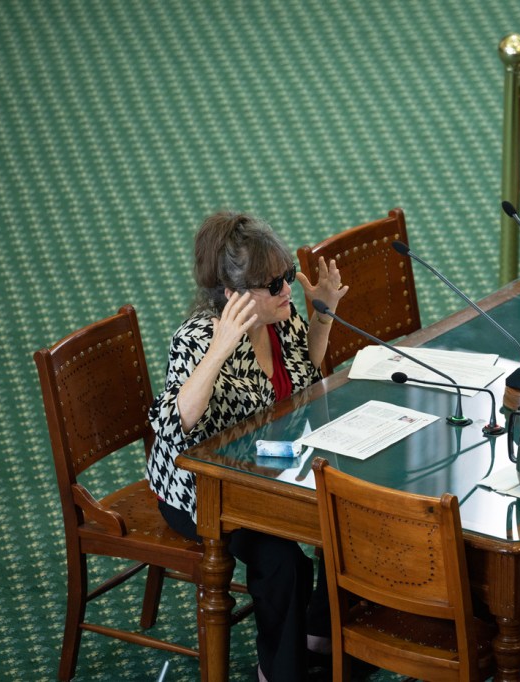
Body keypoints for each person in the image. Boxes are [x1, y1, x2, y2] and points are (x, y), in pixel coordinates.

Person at [146, 210, 347, 681]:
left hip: (267, 469)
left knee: (348, 509)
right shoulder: (197, 339)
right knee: (283, 562)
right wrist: (219, 350)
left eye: (286, 276)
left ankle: (319, 634)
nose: (286, 290)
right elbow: (173, 427)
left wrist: (323, 315)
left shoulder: (279, 318)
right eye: (273, 284)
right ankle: (278, 672)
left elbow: (303, 377)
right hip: (204, 491)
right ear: (232, 293)